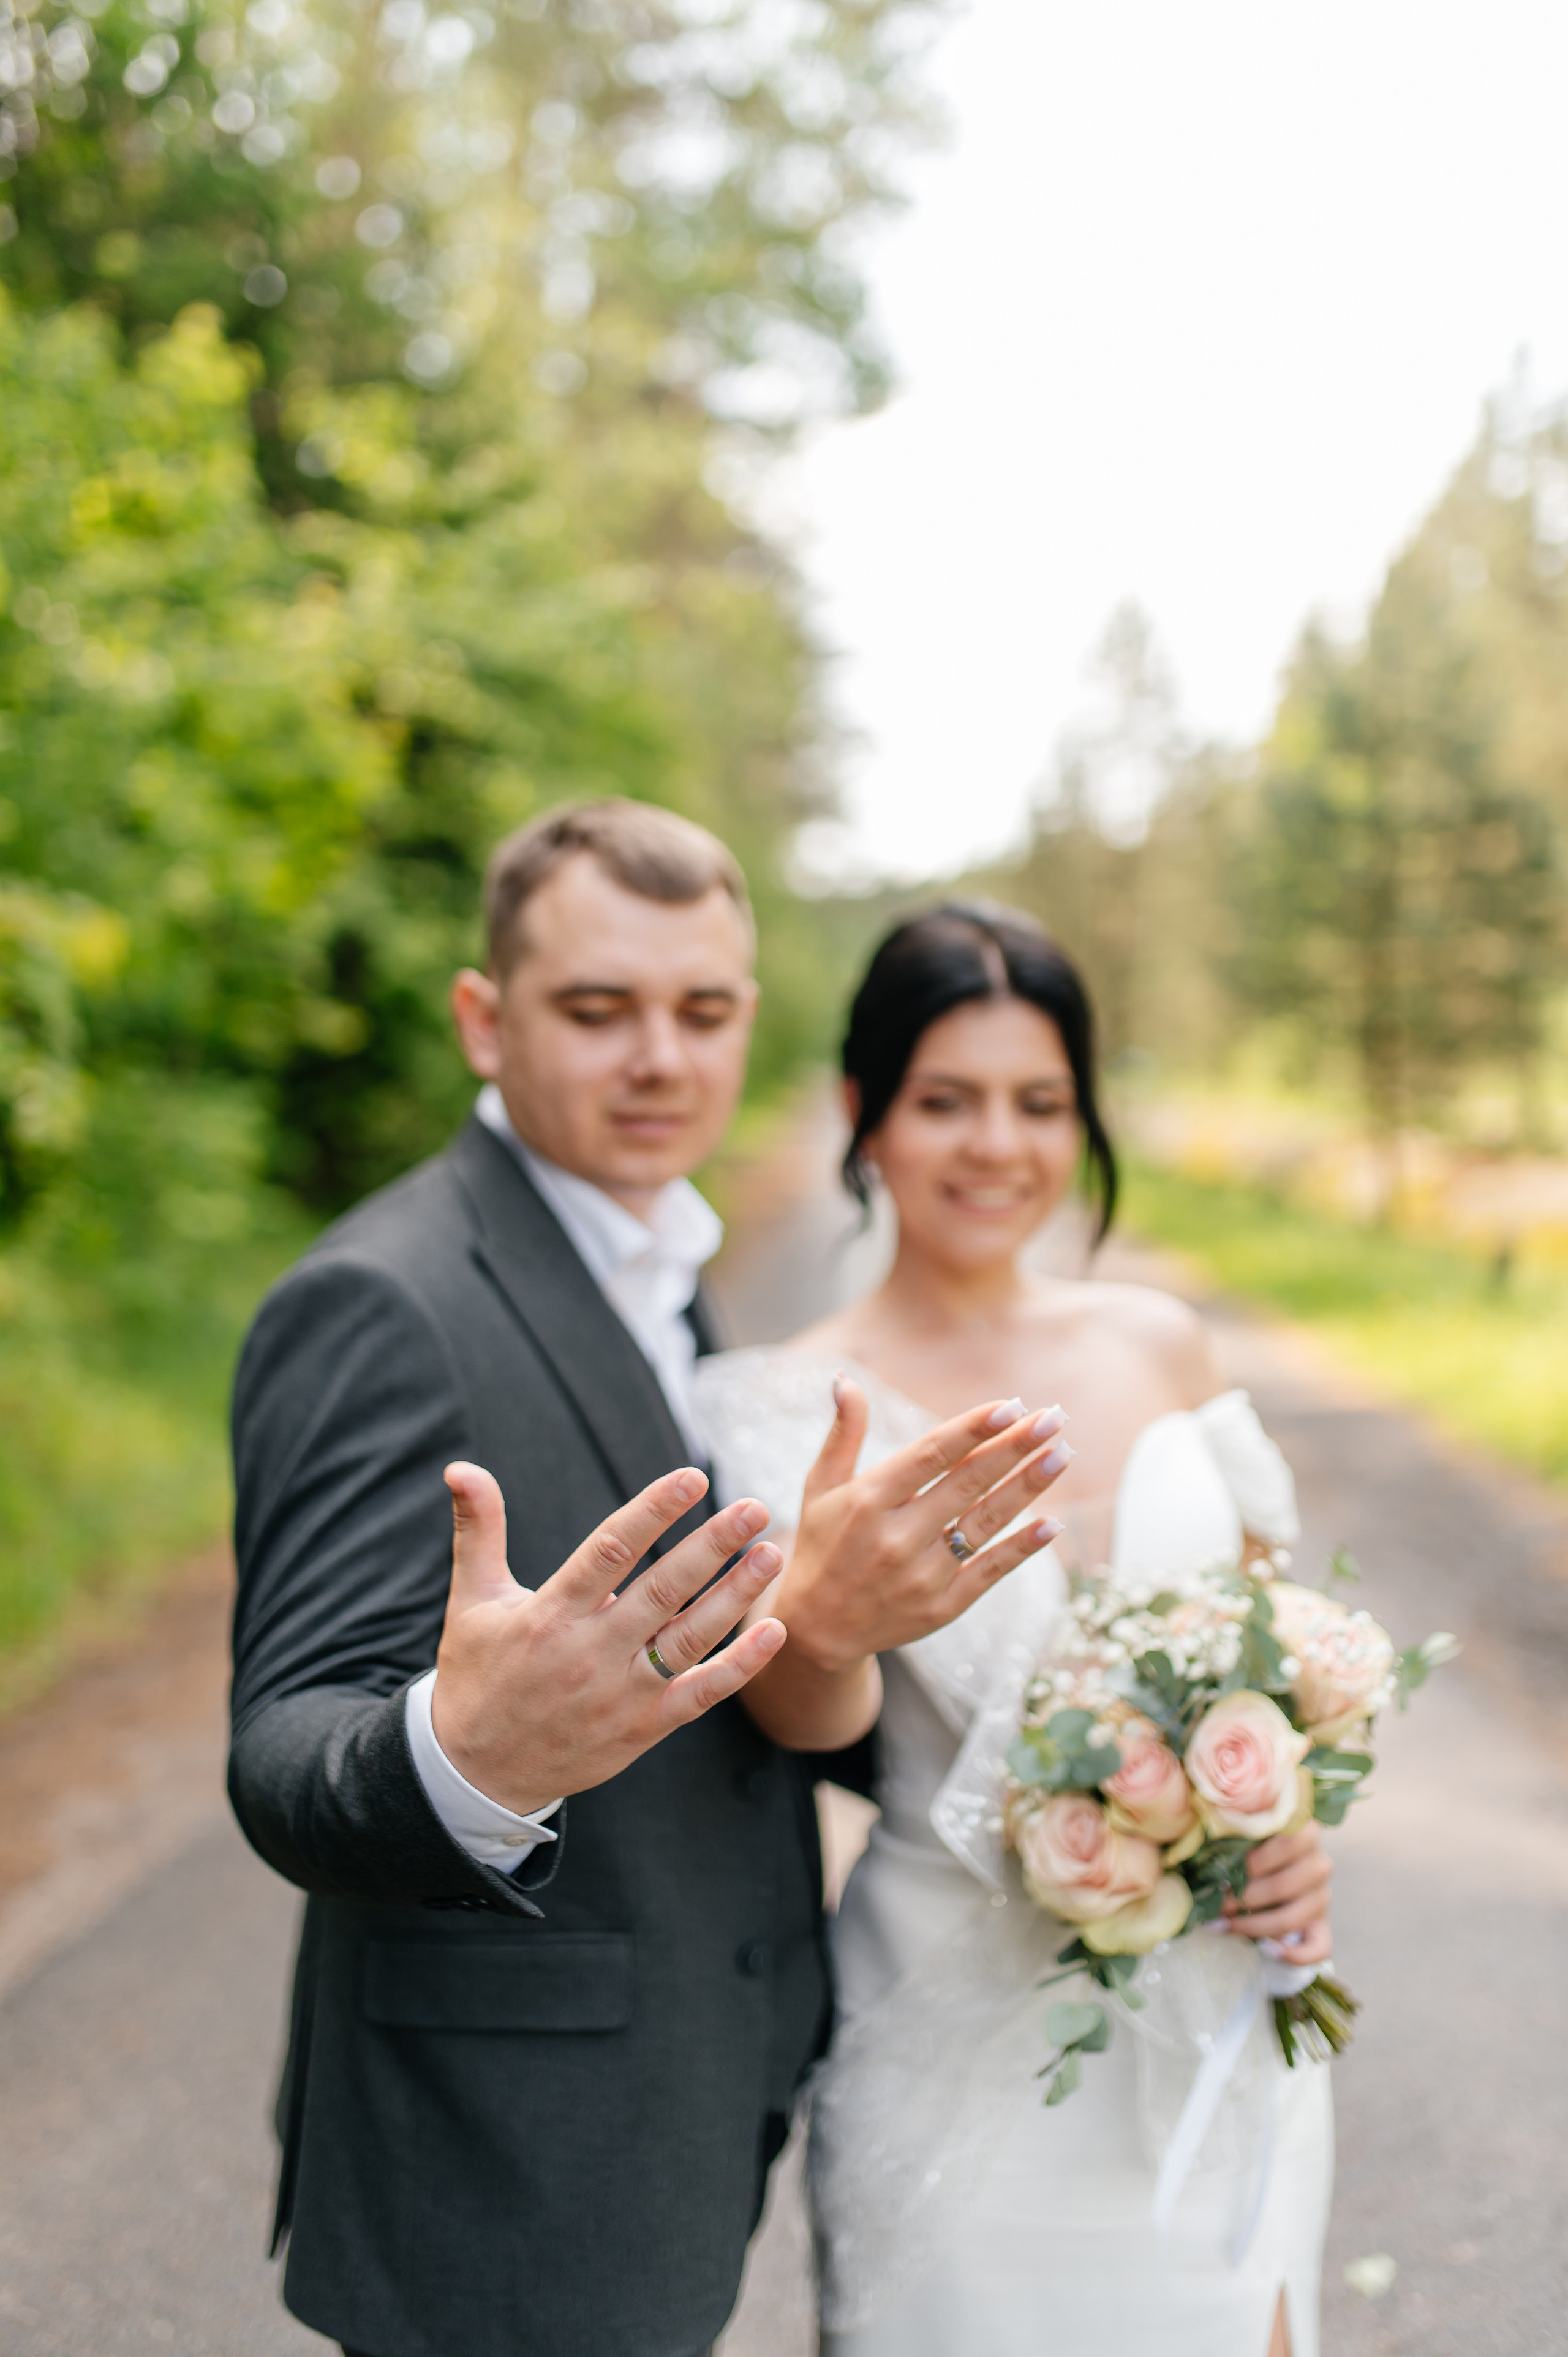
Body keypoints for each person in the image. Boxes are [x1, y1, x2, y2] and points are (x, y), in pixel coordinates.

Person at [228, 805, 1072, 2357]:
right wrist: (460, 1753)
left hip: (669, 2114)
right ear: (486, 1019)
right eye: (596, 1010)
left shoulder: (667, 1279)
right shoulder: (377, 1299)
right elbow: (282, 1754)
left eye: (702, 1012)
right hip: (496, 2166)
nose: (659, 1061)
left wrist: (834, 1630)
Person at [693, 902, 1336, 2357]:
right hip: (953, 2006)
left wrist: (1282, 1822)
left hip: (1211, 2004)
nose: (997, 1145)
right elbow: (809, 1722)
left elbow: (1260, 1659)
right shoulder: (778, 1404)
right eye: (946, 1101)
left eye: (1038, 1103)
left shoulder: (1154, 1339)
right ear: (864, 1112)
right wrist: (824, 1619)